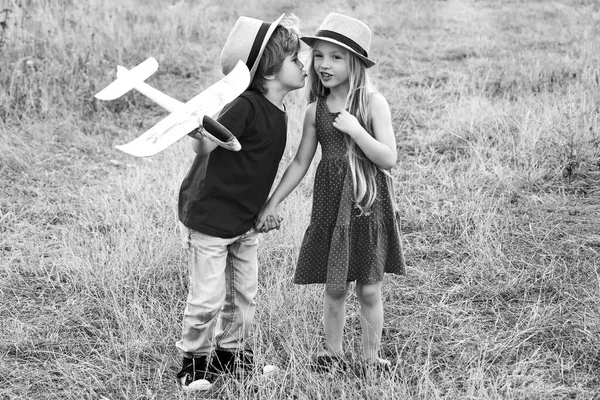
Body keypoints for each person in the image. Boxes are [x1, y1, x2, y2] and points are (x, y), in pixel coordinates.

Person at [255, 12, 406, 374]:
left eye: (336, 57)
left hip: (368, 207)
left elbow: (389, 158)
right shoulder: (314, 111)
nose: (324, 64)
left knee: (369, 290)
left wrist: (356, 130)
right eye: (318, 55)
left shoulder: (373, 103)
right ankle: (332, 354)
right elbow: (299, 163)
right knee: (335, 288)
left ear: (354, 64)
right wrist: (272, 202)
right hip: (329, 209)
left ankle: (372, 357)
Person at [176, 13, 306, 392]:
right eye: (295, 60)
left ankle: (230, 357)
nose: (303, 65)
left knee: (243, 295)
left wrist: (266, 208)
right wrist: (194, 130)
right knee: (207, 298)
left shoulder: (279, 109)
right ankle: (194, 364)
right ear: (269, 72)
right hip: (212, 216)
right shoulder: (245, 105)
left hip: (245, 219)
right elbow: (206, 145)